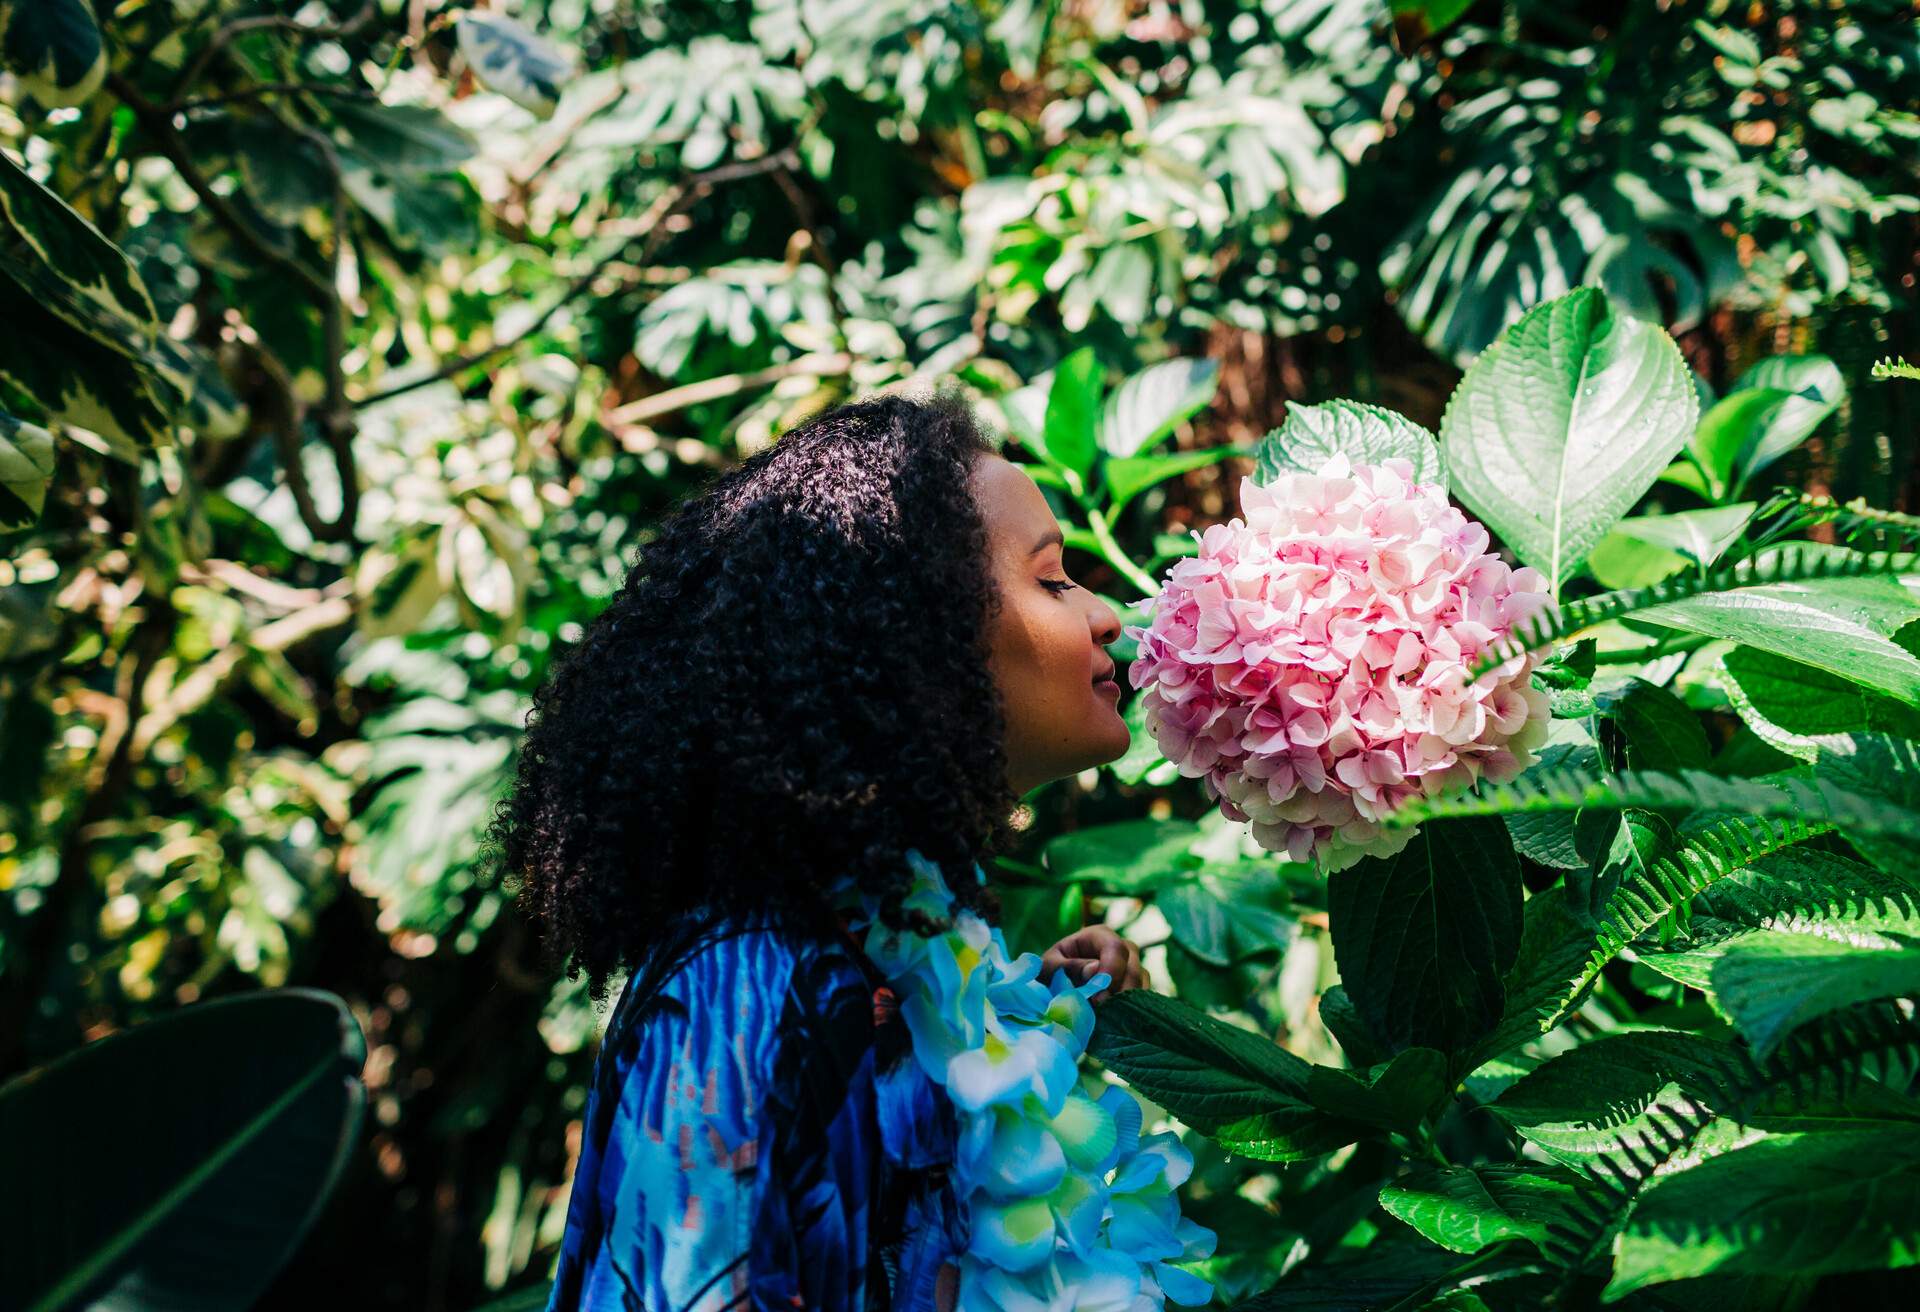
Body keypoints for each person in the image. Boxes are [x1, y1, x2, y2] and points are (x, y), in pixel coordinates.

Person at [488, 390, 1159, 1311]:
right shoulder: (745, 991)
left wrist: (1035, 1017)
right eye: (1051, 581)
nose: (1107, 614)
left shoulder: (891, 949)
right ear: (913, 643)